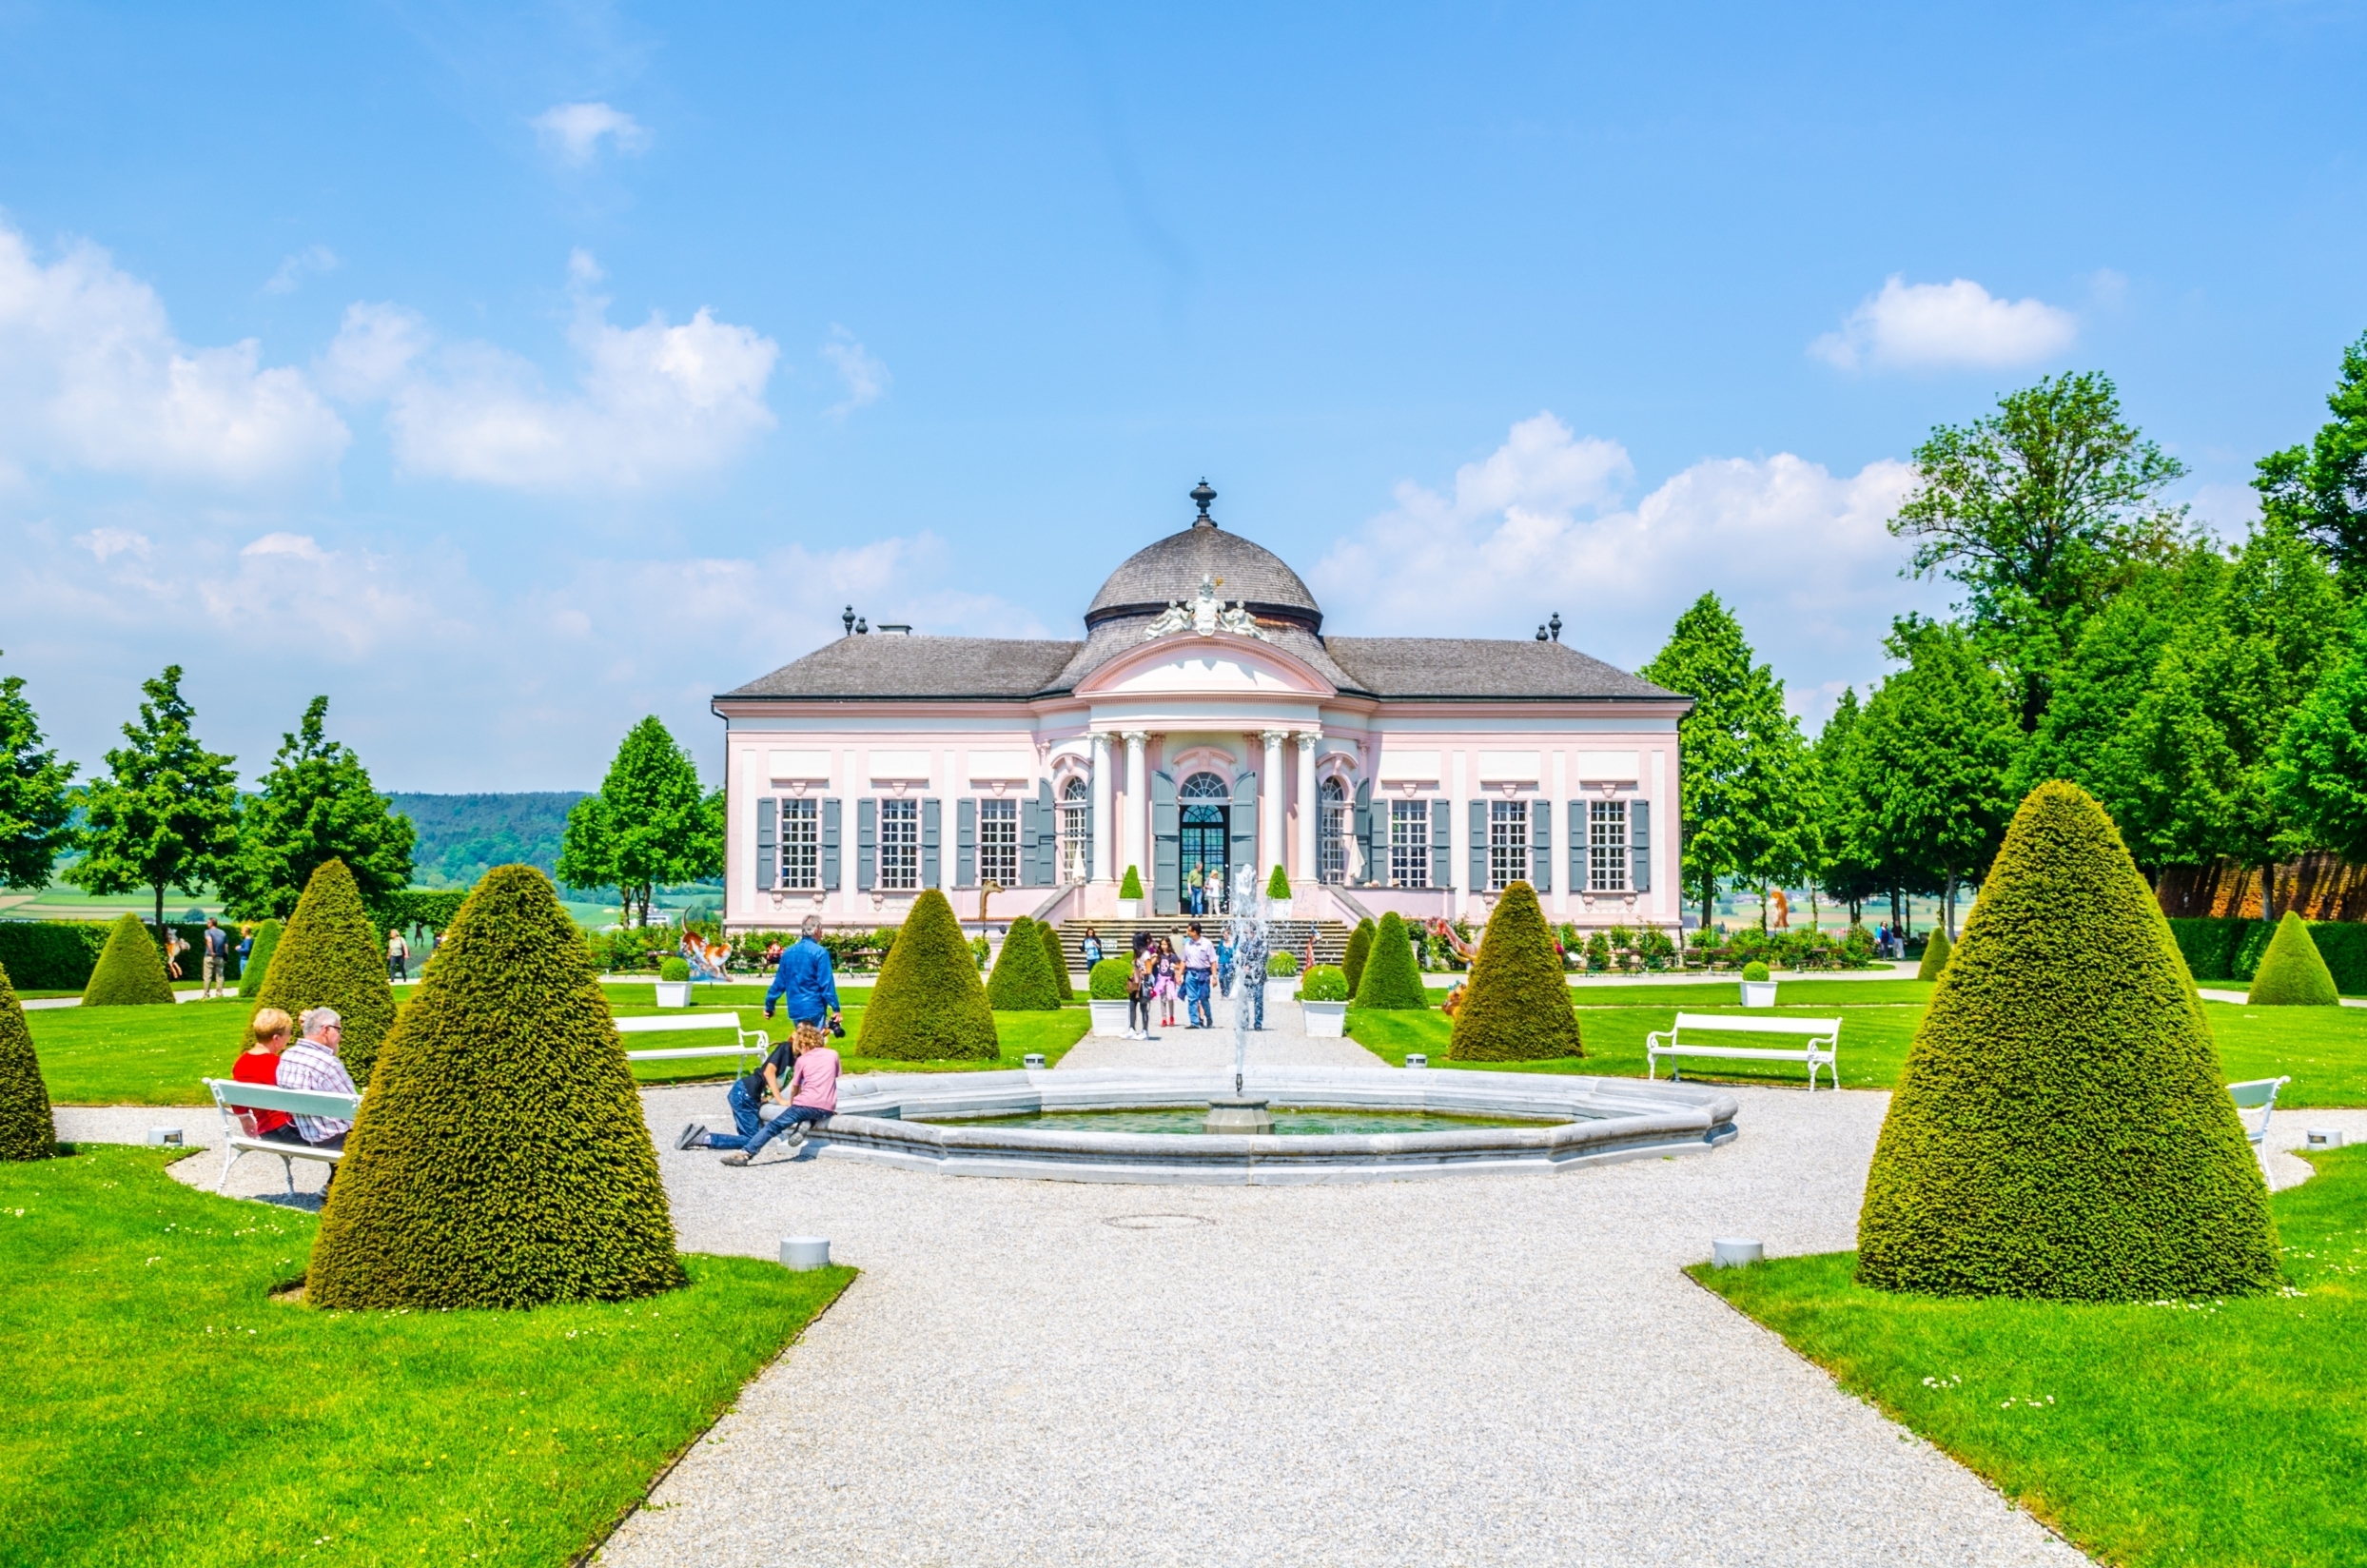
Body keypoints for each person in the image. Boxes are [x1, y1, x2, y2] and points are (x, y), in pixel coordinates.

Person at [272, 1007, 357, 1154]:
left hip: (312, 1137)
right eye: (339, 1030)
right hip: (340, 1140)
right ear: (325, 1030)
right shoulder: (328, 1064)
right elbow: (354, 1109)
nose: (341, 1038)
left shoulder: (288, 1056)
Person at [764, 914, 843, 1035]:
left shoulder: (788, 952)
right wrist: (836, 1009)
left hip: (795, 1009)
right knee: (814, 1048)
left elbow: (779, 984)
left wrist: (770, 1006)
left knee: (803, 1046)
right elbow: (826, 984)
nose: (821, 933)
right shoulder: (820, 952)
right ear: (816, 930)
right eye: (821, 930)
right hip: (814, 1007)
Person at [230, 1007, 296, 1138]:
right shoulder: (279, 1064)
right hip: (290, 1130)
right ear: (276, 1038)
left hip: (267, 1132)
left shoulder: (241, 1063)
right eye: (289, 1034)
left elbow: (237, 1098)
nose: (290, 1038)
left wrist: (244, 1118)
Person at [1232, 911, 1267, 1031]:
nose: (1246, 935)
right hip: (1245, 977)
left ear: (1254, 932)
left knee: (1258, 1000)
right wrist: (1241, 967)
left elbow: (1262, 960)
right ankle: (1244, 1023)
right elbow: (1238, 957)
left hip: (1258, 976)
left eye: (1247, 932)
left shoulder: (1262, 943)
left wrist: (1250, 967)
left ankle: (1258, 1023)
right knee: (1244, 1000)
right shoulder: (1244, 944)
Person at [1182, 921, 1216, 1029]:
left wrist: (1214, 977)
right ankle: (1194, 1022)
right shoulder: (1187, 944)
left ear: (1195, 932)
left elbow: (1213, 961)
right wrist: (1179, 974)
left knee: (1204, 997)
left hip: (1203, 973)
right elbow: (1183, 960)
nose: (1187, 932)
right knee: (1192, 998)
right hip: (1190, 973)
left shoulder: (1207, 943)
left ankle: (1208, 1016)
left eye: (1189, 930)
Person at [201, 916, 229, 1000]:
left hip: (210, 956)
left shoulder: (208, 931)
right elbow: (226, 946)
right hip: (220, 957)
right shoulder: (223, 932)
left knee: (207, 976)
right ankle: (219, 994)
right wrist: (226, 956)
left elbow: (209, 940)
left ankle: (206, 995)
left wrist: (212, 951)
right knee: (220, 976)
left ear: (211, 923)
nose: (207, 924)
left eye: (208, 922)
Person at [1156, 938, 1181, 1029]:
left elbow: (1180, 966)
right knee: (1163, 999)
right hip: (1161, 979)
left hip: (1170, 979)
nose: (1163, 946)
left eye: (1165, 944)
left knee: (1170, 998)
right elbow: (1152, 963)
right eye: (1162, 944)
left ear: (1168, 945)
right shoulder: (1159, 955)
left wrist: (1175, 967)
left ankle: (1171, 1016)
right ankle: (1164, 1018)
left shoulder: (1172, 956)